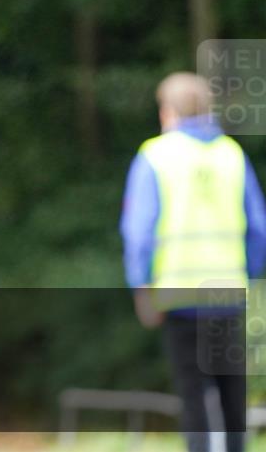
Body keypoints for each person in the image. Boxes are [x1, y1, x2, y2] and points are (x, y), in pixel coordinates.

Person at [120, 72, 266, 452]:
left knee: (193, 393)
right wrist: (248, 275)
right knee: (232, 392)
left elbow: (138, 234)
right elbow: (259, 229)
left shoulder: (155, 155)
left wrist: (142, 288)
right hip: (227, 294)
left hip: (179, 296)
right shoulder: (231, 154)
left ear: (168, 112)